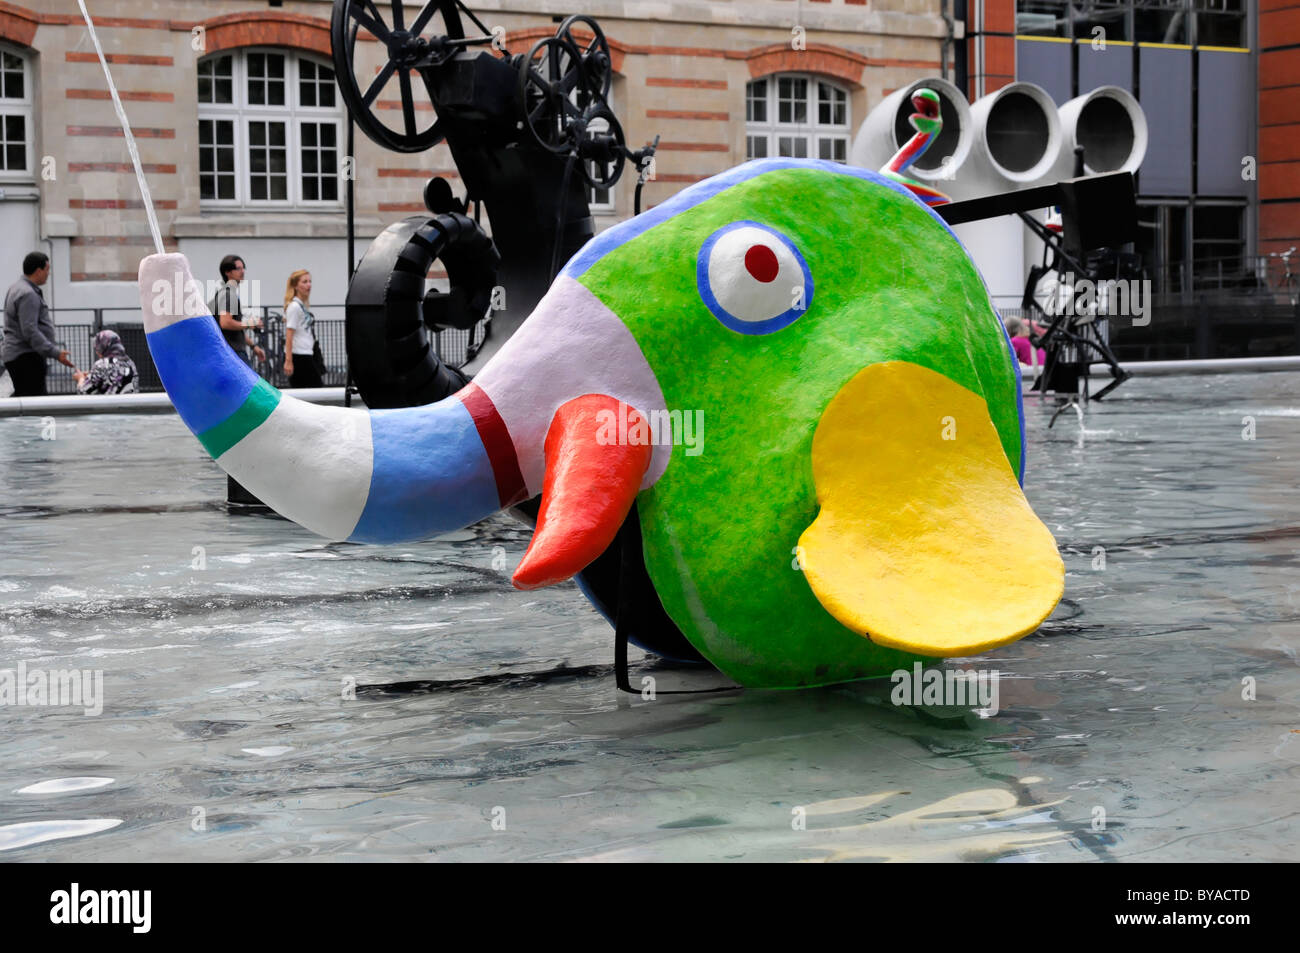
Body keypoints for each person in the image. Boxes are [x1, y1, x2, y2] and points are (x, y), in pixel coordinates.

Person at [2, 251, 77, 396]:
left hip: (19, 356)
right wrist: (55, 352)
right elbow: (30, 330)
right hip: (26, 357)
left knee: (25, 397)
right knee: (35, 402)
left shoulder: (16, 288)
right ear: (38, 271)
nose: (48, 274)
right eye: (47, 269)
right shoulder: (28, 294)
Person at [209, 254, 265, 367]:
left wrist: (254, 346)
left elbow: (234, 328)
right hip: (233, 353)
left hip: (229, 352)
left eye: (243, 267)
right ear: (227, 272)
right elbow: (226, 323)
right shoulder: (229, 294)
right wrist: (250, 323)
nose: (242, 271)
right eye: (238, 268)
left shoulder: (224, 293)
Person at [282, 269, 323, 388]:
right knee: (316, 390)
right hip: (299, 356)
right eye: (304, 282)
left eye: (310, 281)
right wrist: (288, 361)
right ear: (295, 286)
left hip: (307, 354)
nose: (308, 285)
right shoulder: (295, 307)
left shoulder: (301, 306)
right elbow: (289, 334)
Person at [74, 329, 139, 395]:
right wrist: (92, 374)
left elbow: (83, 391)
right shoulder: (130, 363)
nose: (97, 352)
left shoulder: (102, 364)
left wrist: (81, 378)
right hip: (131, 404)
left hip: (110, 404)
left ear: (102, 347)